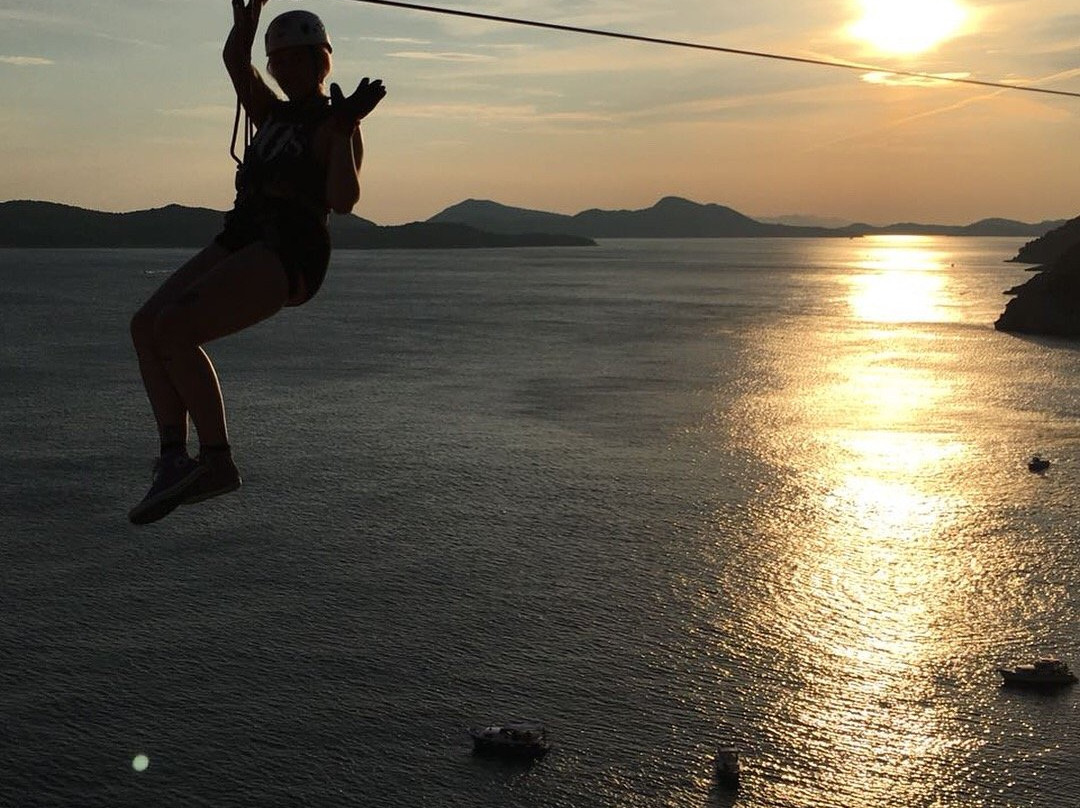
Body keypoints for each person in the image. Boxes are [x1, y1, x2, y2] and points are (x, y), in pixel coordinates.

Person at [128, 0, 386, 525]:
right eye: (280, 62)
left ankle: (218, 462)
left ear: (320, 63)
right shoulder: (272, 114)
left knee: (175, 330)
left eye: (297, 60)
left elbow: (343, 199)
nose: (286, 69)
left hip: (289, 249)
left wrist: (341, 130)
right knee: (145, 326)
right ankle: (174, 457)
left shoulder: (333, 122)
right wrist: (246, 25)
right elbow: (234, 62)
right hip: (243, 237)